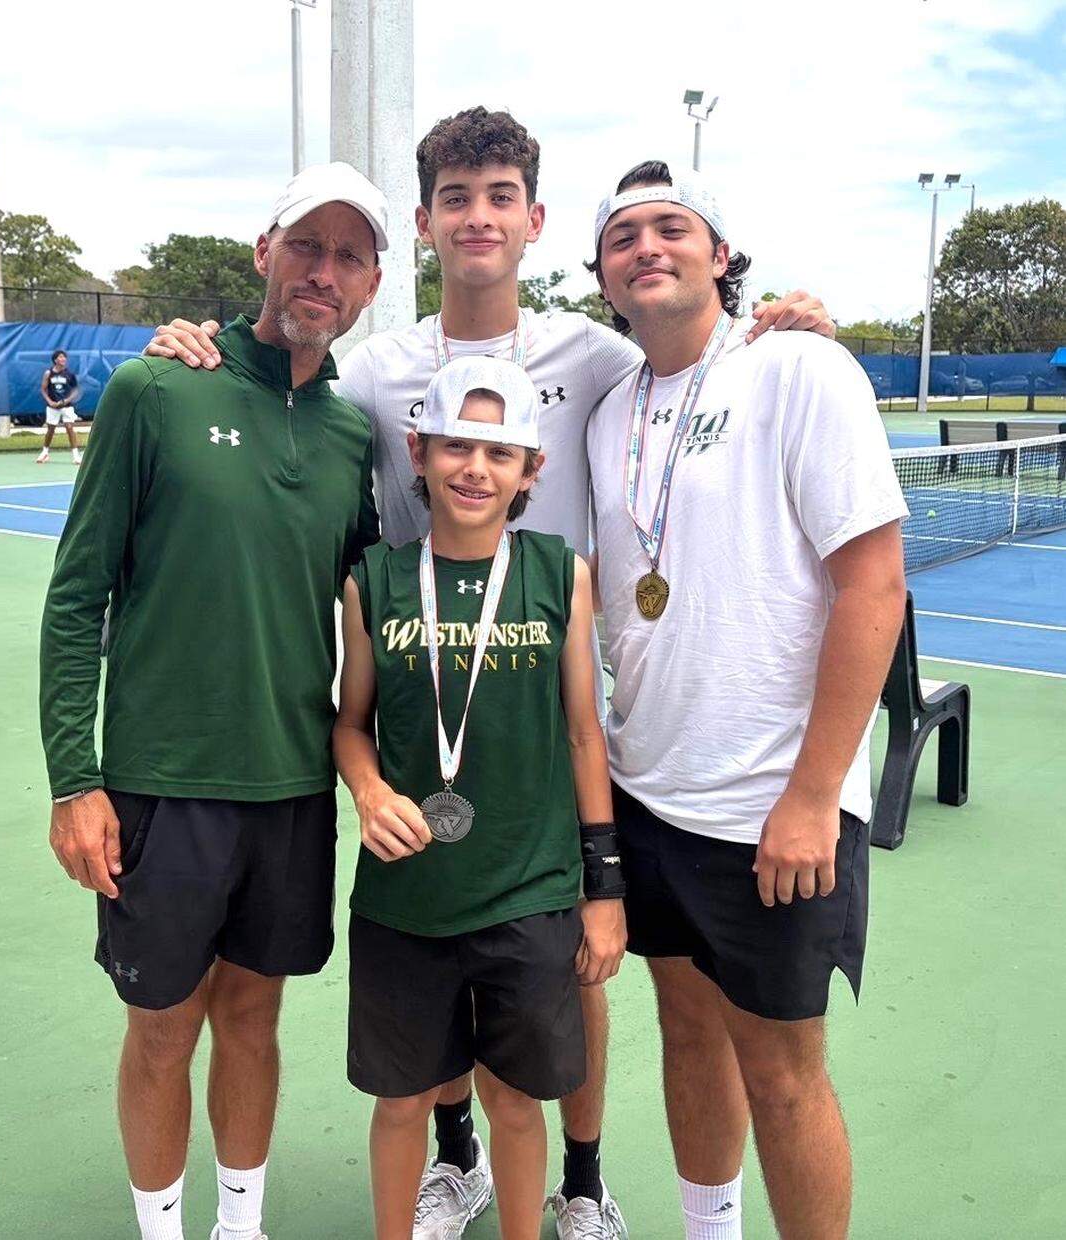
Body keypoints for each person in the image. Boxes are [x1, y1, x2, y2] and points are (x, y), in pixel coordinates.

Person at [147, 105, 837, 1240]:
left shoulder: (597, 352)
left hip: (556, 715)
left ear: (534, 221)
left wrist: (783, 322)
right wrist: (201, 339)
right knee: (434, 956)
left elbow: (696, 347)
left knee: (570, 966)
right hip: (421, 710)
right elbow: (283, 384)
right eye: (456, 198)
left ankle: (583, 1174)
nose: (478, 217)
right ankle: (455, 1156)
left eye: (500, 197)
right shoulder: (375, 372)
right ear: (423, 225)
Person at [39, 161, 387, 1240]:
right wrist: (74, 779)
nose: (322, 273)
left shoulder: (350, 436)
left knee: (255, 1016)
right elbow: (75, 598)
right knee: (160, 1030)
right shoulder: (156, 390)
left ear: (372, 284)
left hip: (289, 787)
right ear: (264, 254)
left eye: (348, 257)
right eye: (306, 247)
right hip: (159, 785)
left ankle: (240, 1224)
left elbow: (376, 620)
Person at [586, 161, 908, 1240]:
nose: (647, 248)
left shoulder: (799, 369)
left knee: (783, 1070)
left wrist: (815, 794)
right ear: (601, 275)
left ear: (720, 255)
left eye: (671, 228)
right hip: (649, 792)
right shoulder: (608, 410)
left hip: (775, 805)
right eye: (623, 236)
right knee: (685, 1025)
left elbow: (875, 582)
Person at [334, 355, 627, 1240]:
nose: (475, 468)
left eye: (500, 453)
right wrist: (369, 786)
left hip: (527, 892)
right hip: (405, 900)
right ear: (417, 453)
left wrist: (603, 889)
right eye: (456, 445)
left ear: (532, 471)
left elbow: (584, 733)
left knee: (516, 1100)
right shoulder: (373, 581)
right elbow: (349, 724)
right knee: (399, 1104)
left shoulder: (560, 574)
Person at [37, 348, 83, 464]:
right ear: (55, 360)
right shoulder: (48, 373)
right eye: (60, 357)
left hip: (67, 407)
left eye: (64, 357)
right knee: (50, 430)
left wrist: (67, 400)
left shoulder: (69, 374)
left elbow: (75, 390)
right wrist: (50, 402)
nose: (63, 359)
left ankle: (76, 455)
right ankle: (45, 453)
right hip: (53, 407)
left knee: (69, 427)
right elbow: (43, 389)